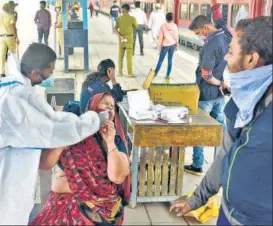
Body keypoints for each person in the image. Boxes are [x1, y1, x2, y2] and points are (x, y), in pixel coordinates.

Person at [170, 16, 272, 225]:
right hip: (227, 212)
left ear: (252, 59)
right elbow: (225, 154)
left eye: (231, 52)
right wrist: (196, 199)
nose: (225, 57)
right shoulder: (241, 101)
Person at [0, 43, 102, 224]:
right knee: (9, 213)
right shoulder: (14, 99)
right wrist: (94, 120)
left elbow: (51, 118)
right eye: (49, 71)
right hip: (7, 174)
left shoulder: (14, 86)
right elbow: (51, 129)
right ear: (34, 72)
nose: (51, 76)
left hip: (13, 166)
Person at [30, 84, 131, 225]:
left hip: (99, 207)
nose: (109, 108)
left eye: (112, 106)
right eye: (105, 103)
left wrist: (110, 142)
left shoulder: (115, 139)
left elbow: (118, 177)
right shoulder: (75, 131)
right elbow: (45, 163)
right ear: (92, 106)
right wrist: (65, 139)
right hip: (66, 201)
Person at [184, 0, 232, 176]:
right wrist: (214, 5)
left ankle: (197, 165)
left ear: (205, 28)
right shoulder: (226, 34)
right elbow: (219, 18)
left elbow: (206, 75)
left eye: (198, 33)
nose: (199, 36)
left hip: (206, 94)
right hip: (219, 96)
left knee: (200, 131)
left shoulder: (210, 45)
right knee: (219, 130)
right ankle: (220, 165)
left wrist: (219, 83)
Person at [154, 12, 178, 81]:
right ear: (172, 19)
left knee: (160, 60)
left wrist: (159, 47)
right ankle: (167, 75)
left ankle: (155, 73)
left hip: (165, 45)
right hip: (172, 45)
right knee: (170, 60)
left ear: (166, 19)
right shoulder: (175, 26)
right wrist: (177, 44)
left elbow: (160, 38)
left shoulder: (163, 26)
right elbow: (176, 36)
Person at [115, 4, 138, 77]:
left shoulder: (119, 18)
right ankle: (130, 73)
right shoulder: (132, 18)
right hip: (129, 41)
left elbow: (115, 29)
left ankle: (120, 72)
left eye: (122, 9)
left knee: (120, 57)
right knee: (129, 58)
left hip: (121, 41)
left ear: (123, 10)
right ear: (128, 10)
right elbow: (136, 26)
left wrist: (120, 36)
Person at [0, 3, 18, 79]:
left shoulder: (0, 16)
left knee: (2, 55)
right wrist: (16, 37)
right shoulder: (11, 16)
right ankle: (13, 72)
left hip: (1, 37)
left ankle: (2, 72)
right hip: (10, 37)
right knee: (12, 54)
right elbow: (13, 26)